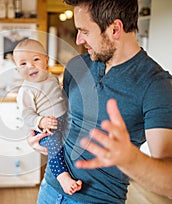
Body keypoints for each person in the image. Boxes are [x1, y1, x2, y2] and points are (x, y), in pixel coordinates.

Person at [27, 0, 172, 203]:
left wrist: (130, 159)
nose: (78, 40)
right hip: (50, 189)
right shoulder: (76, 66)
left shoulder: (156, 85)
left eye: (84, 31)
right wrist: (45, 139)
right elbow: (65, 123)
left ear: (115, 29)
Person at [13, 39, 82, 195]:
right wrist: (40, 121)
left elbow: (59, 97)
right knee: (53, 146)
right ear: (18, 70)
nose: (30, 66)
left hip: (64, 118)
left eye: (35, 60)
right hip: (46, 128)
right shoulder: (26, 90)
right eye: (23, 64)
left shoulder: (52, 78)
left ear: (46, 60)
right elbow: (27, 114)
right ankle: (62, 177)